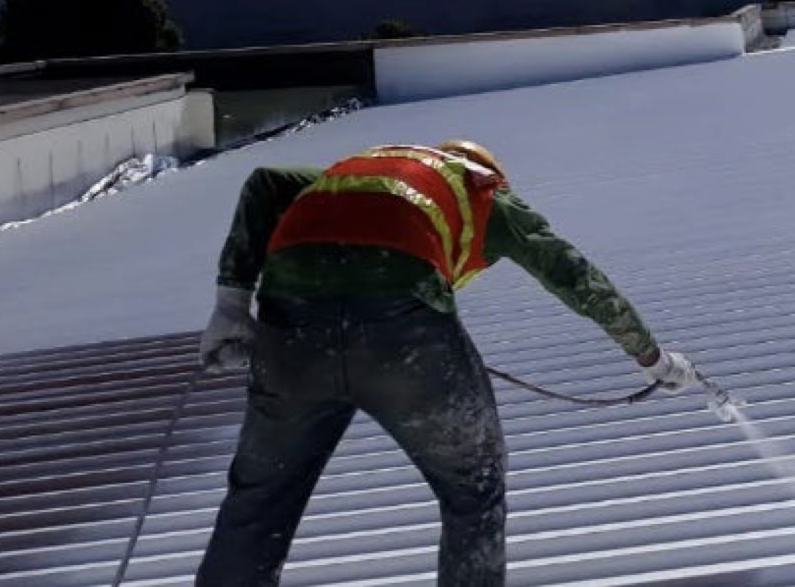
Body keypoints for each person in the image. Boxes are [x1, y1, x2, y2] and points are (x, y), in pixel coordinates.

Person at [192, 139, 698, 586]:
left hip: (290, 330)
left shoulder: (355, 174)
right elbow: (573, 275)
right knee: (472, 493)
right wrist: (652, 358)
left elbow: (265, 182)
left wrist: (230, 305)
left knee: (258, 501)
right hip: (404, 333)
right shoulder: (484, 193)